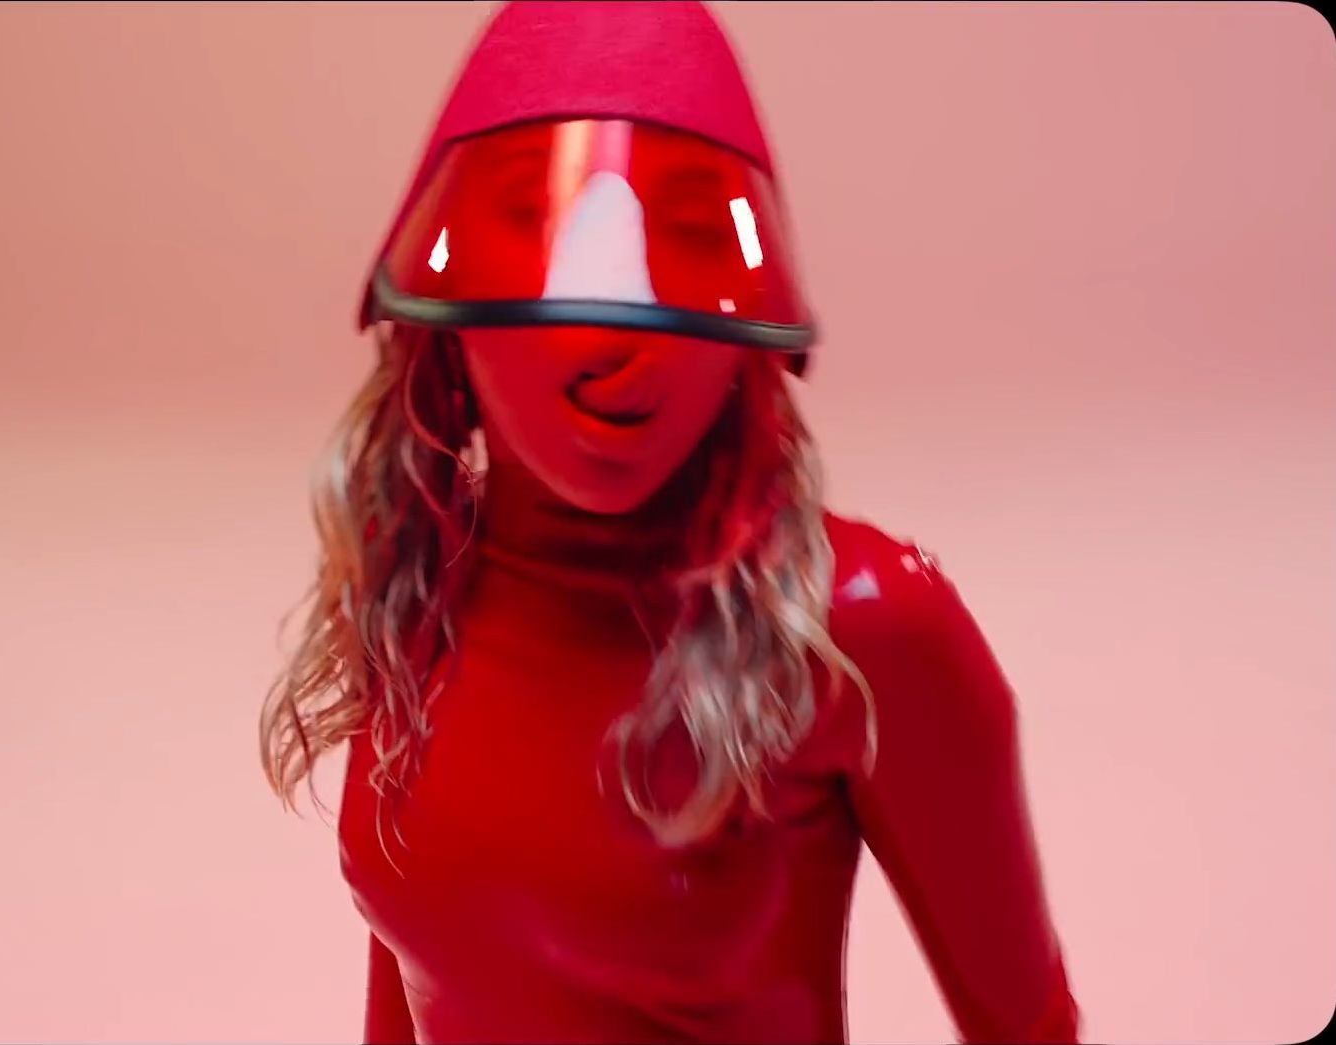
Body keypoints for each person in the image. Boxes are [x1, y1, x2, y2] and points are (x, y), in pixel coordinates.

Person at [259, 2, 1082, 1042]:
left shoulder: (864, 625)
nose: (615, 321)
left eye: (687, 235)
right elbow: (411, 982)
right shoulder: (415, 584)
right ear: (447, 313)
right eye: (540, 227)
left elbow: (1027, 1027)